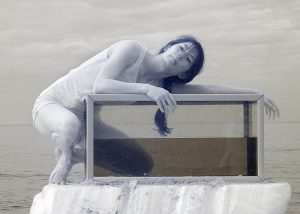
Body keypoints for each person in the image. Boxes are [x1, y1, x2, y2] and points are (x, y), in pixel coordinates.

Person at [32, 35, 279, 184]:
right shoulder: (131, 49)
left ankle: (78, 156)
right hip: (52, 107)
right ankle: (65, 156)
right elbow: (100, 86)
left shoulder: (162, 86)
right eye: (181, 48)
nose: (182, 55)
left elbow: (210, 89)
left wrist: (255, 94)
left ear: (184, 73)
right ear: (168, 46)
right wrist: (146, 90)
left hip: (89, 121)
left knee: (142, 164)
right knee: (70, 126)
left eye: (187, 59)